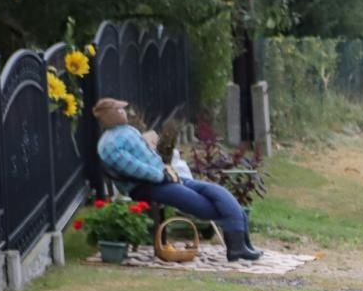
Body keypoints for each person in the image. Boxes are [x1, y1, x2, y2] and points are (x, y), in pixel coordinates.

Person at [92, 98, 262, 262]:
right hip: (145, 186)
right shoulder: (109, 145)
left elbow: (148, 155)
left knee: (217, 192)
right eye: (119, 110)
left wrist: (165, 170)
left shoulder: (128, 130)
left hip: (166, 177)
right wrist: (160, 175)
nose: (124, 112)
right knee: (205, 206)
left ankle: (240, 246)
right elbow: (134, 168)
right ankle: (236, 245)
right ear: (109, 115)